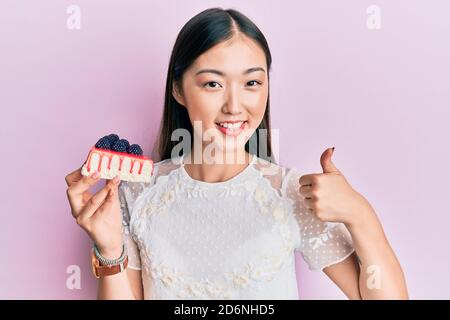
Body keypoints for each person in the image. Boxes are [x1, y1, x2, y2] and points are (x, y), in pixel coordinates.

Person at [65, 7, 408, 300]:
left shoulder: (289, 193)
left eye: (252, 83)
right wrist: (109, 250)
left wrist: (361, 215)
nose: (234, 106)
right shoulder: (137, 192)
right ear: (178, 90)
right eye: (213, 83)